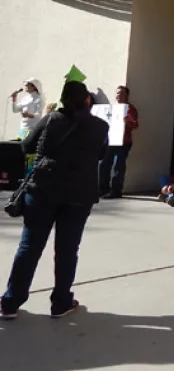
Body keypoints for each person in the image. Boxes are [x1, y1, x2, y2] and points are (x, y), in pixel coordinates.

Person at [0, 81, 109, 320]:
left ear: (63, 99)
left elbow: (26, 146)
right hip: (80, 194)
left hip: (43, 190)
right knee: (68, 249)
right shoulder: (100, 126)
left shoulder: (50, 120)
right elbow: (101, 155)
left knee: (29, 247)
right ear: (87, 100)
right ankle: (60, 302)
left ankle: (10, 302)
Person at [99, 85, 139, 199]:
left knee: (118, 166)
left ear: (127, 95)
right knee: (104, 164)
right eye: (117, 93)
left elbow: (135, 124)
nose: (118, 96)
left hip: (123, 142)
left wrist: (127, 121)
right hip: (111, 141)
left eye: (121, 93)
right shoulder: (111, 108)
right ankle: (103, 189)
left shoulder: (130, 109)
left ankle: (116, 191)